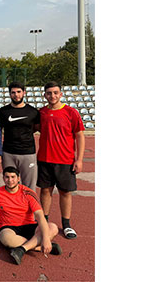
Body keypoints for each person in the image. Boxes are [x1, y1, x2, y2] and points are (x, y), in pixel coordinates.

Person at [37, 82, 85, 239]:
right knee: (45, 191)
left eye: (55, 93)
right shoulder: (41, 112)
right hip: (44, 159)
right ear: (45, 95)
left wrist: (79, 159)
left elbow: (79, 135)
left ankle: (66, 225)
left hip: (65, 160)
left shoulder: (71, 112)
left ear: (60, 94)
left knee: (65, 192)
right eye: (49, 93)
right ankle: (44, 222)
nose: (52, 96)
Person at [0, 166, 61, 265]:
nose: (10, 180)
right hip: (9, 227)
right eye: (7, 177)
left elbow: (40, 215)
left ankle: (22, 249)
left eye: (13, 177)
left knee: (53, 227)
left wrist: (45, 238)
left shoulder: (28, 193)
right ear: (3, 178)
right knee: (5, 238)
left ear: (18, 178)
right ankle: (39, 247)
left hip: (29, 225)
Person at [0, 82, 41, 189]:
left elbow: (36, 128)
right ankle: (12, 206)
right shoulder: (3, 111)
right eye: (13, 92)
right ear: (9, 94)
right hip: (8, 153)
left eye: (18, 92)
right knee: (10, 184)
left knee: (29, 186)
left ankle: (29, 206)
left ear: (24, 93)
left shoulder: (33, 112)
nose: (16, 95)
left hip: (28, 153)